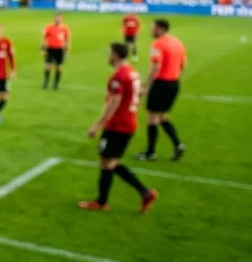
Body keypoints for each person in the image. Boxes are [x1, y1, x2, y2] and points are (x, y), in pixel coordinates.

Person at [80, 42, 158, 213]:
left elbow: (113, 104)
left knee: (106, 162)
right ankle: (144, 193)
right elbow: (138, 93)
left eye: (109, 53)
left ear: (115, 55)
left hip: (117, 125)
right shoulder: (132, 72)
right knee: (110, 162)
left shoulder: (118, 77)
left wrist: (96, 125)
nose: (108, 56)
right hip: (129, 123)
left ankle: (102, 202)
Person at [137, 19, 187, 161]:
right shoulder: (178, 42)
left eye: (152, 27)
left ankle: (150, 153)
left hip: (161, 84)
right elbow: (184, 65)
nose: (150, 30)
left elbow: (155, 67)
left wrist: (146, 86)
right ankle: (178, 145)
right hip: (174, 83)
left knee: (152, 118)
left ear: (160, 28)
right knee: (162, 116)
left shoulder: (157, 44)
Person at [41, 13, 70, 90]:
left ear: (62, 19)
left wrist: (67, 50)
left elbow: (67, 40)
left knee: (59, 67)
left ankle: (56, 83)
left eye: (59, 18)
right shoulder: (49, 27)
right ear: (54, 18)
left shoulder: (65, 28)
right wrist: (43, 49)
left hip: (60, 49)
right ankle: (46, 82)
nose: (58, 19)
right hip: (50, 49)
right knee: (47, 66)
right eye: (56, 18)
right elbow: (44, 38)